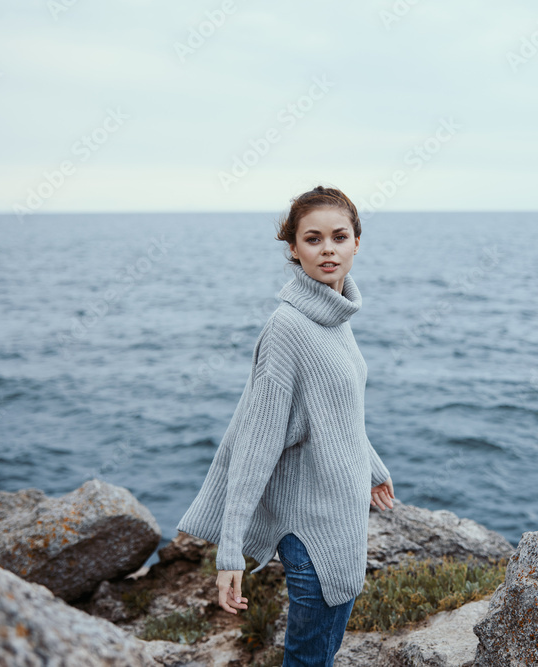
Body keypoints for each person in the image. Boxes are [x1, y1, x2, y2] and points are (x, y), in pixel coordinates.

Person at [175, 184, 396, 666]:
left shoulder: (335, 316)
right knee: (309, 661)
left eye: (339, 236)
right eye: (313, 239)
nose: (328, 249)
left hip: (344, 520)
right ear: (294, 250)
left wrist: (372, 465)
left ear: (357, 242)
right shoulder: (288, 328)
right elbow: (255, 445)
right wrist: (229, 552)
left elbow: (335, 411)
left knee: (323, 655)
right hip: (311, 534)